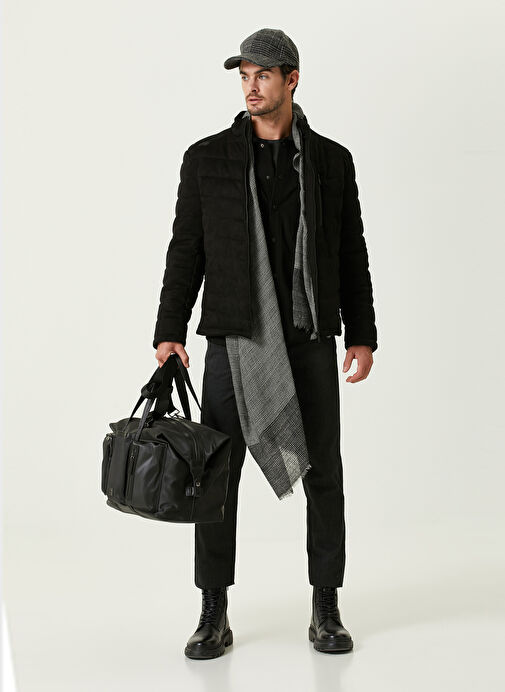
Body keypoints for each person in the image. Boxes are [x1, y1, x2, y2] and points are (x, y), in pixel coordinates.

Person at [153, 28, 378, 659]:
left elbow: (351, 252)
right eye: (244, 76)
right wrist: (170, 331)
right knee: (215, 476)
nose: (251, 88)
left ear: (291, 80)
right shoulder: (208, 159)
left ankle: (326, 606)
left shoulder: (332, 162)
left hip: (308, 335)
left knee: (324, 472)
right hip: (235, 338)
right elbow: (186, 248)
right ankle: (213, 610)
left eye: (263, 76)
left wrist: (362, 333)